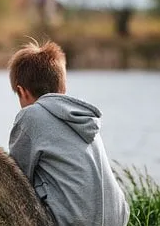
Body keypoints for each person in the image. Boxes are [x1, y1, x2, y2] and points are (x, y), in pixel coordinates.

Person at [8, 40, 130, 225]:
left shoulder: (31, 116)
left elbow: (15, 180)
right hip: (116, 218)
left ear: (21, 91)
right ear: (63, 88)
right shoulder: (82, 117)